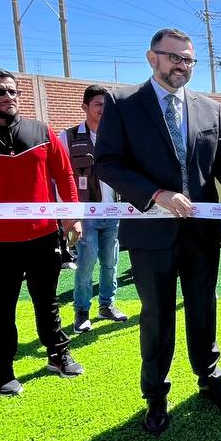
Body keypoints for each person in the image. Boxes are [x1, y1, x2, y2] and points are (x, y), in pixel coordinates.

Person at [97, 29, 221, 430]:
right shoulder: (122, 104)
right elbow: (108, 162)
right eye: (173, 57)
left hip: (201, 233)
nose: (182, 65)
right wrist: (156, 194)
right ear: (151, 58)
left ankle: (209, 378)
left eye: (188, 59)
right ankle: (156, 396)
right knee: (157, 316)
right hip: (151, 235)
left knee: (203, 308)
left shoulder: (208, 107)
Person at [0, 68, 84, 396]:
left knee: (47, 300)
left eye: (13, 92)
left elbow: (65, 176)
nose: (8, 97)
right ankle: (3, 371)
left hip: (43, 236)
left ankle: (57, 354)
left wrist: (71, 217)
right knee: (3, 306)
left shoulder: (41, 131)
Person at [61, 85, 127, 334]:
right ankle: (81, 311)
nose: (104, 110)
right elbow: (60, 177)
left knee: (111, 263)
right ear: (85, 107)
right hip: (84, 215)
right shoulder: (66, 137)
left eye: (108, 105)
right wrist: (69, 216)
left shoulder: (118, 137)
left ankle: (107, 306)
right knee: (86, 264)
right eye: (99, 104)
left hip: (113, 212)